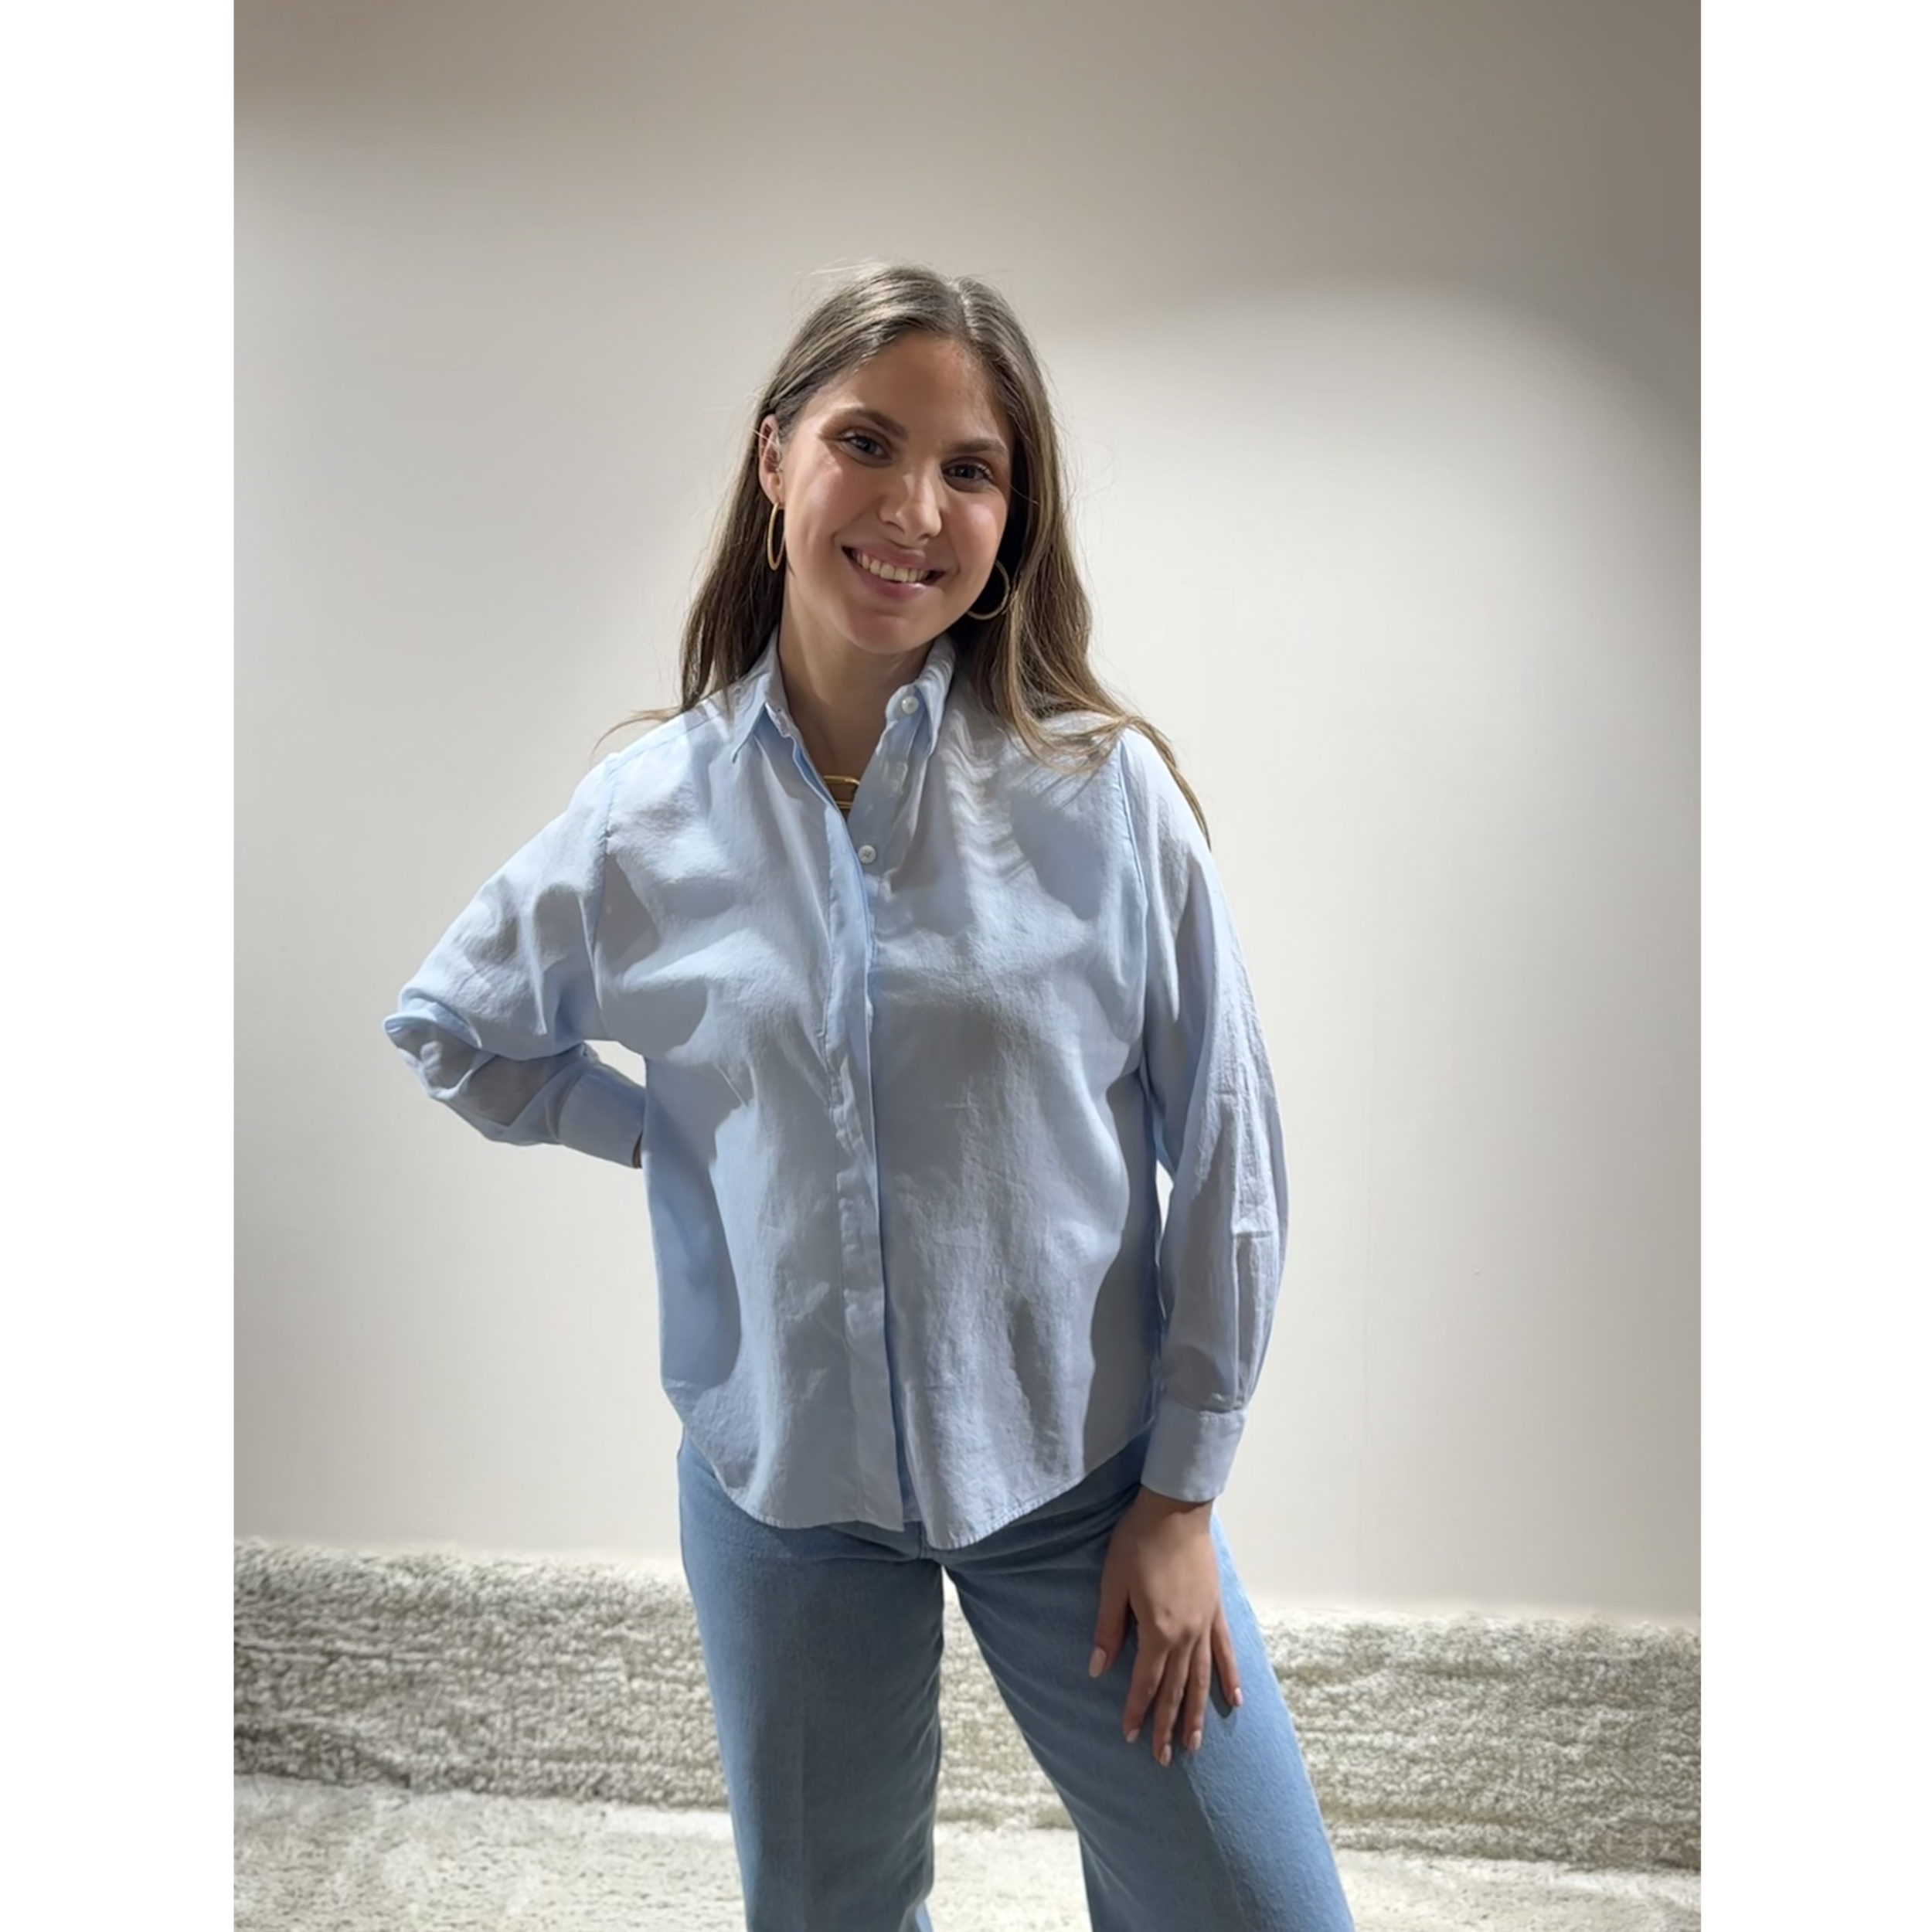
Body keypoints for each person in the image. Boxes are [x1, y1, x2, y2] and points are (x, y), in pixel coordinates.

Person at [385, 263, 1354, 1932]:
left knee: (1256, 1911)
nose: (914, 509)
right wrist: (667, 1135)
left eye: (970, 468)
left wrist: (1182, 1496)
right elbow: (454, 1028)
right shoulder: (645, 817)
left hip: (1085, 1485)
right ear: (774, 457)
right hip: (786, 1499)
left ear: (1012, 517)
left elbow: (1227, 1151)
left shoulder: (1097, 793)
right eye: (867, 442)